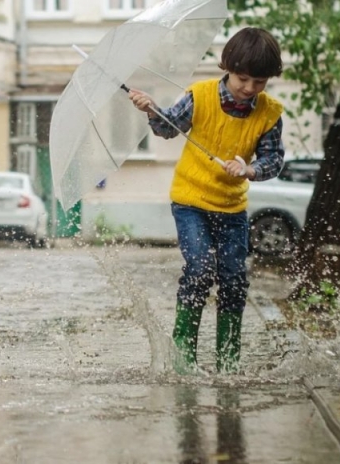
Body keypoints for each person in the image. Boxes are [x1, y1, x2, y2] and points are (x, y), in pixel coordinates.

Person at [129, 27, 285, 374]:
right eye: (243, 78)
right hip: (191, 202)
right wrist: (152, 109)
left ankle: (228, 362)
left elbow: (274, 160)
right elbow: (167, 128)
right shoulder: (199, 96)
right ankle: (184, 359)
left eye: (259, 82)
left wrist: (252, 169)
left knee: (233, 278)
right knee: (199, 270)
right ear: (227, 67)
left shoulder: (270, 113)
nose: (249, 88)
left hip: (232, 208)